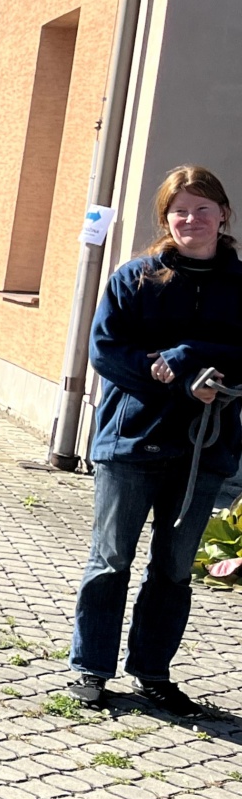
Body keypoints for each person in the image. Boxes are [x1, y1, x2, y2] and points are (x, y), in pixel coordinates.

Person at [66, 166, 242, 717]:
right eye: (179, 210)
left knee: (173, 568)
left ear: (223, 214)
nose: (191, 219)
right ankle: (91, 669)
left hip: (204, 449)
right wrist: (173, 380)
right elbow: (106, 351)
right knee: (110, 560)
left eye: (202, 208)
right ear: (166, 219)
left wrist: (190, 356)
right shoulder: (136, 278)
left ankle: (152, 674)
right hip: (132, 443)